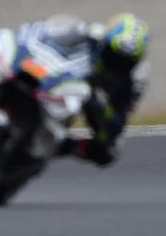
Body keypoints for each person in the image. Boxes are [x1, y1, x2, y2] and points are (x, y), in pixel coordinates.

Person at [56, 12, 150, 166]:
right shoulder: (90, 34)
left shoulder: (136, 80)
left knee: (108, 152)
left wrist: (97, 103)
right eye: (113, 56)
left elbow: (117, 124)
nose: (116, 65)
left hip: (90, 97)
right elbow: (44, 38)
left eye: (125, 63)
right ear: (105, 41)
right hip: (58, 77)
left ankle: (62, 147)